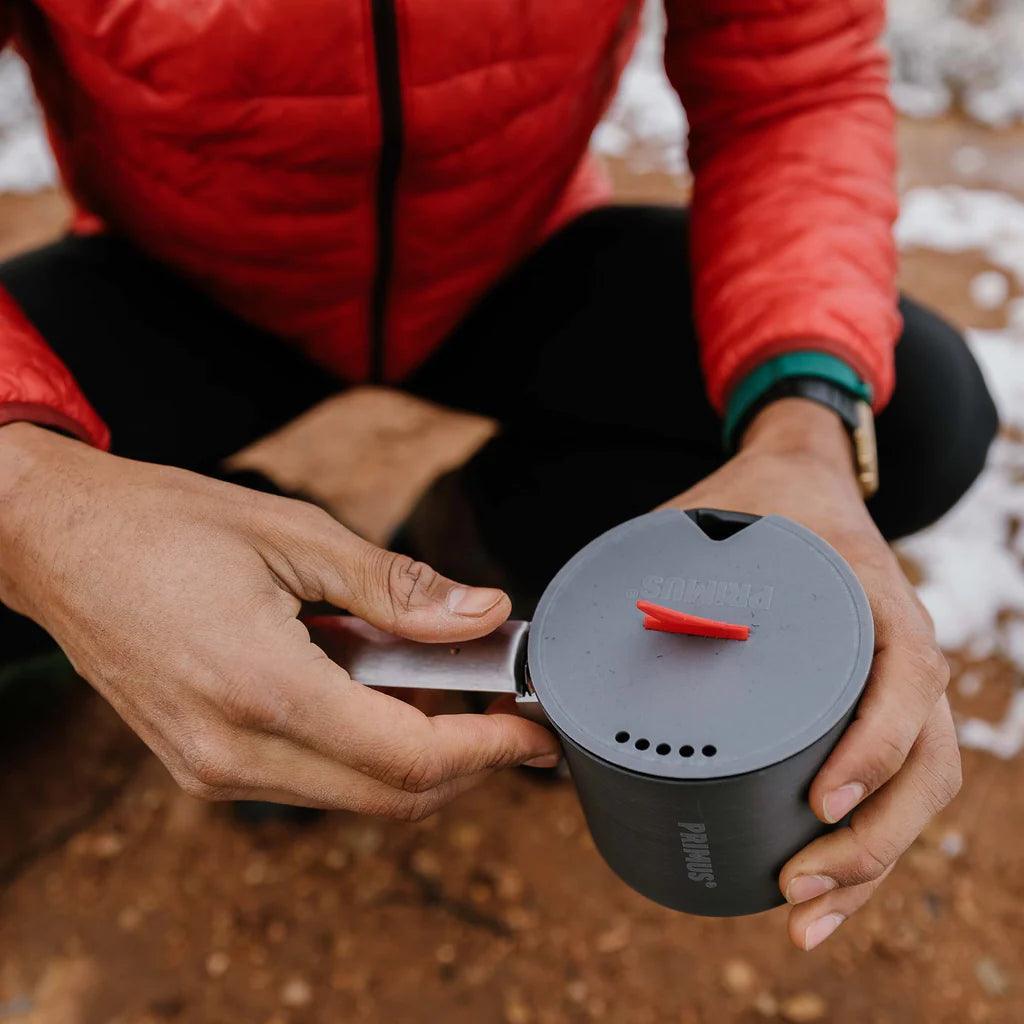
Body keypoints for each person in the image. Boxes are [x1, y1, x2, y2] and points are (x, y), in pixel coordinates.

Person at [0, 1, 996, 952]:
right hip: (184, 279)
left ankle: (486, 539)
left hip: (510, 257)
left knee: (912, 419)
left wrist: (801, 431)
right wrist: (32, 508)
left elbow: (792, 77)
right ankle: (240, 569)